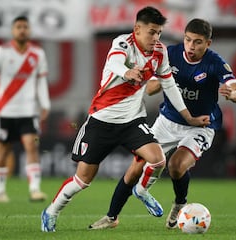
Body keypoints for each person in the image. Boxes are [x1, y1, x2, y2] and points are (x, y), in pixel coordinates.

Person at [40, 7, 210, 232]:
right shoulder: (123, 43)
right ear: (137, 29)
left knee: (158, 159)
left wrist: (188, 116)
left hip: (132, 121)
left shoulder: (160, 51)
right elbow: (113, 63)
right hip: (102, 119)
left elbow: (169, 84)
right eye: (151, 32)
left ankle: (141, 190)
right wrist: (127, 72)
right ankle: (51, 211)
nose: (156, 38)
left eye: (159, 32)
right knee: (83, 179)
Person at [90, 18, 236, 230]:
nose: (191, 46)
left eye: (198, 42)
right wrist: (159, 82)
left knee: (176, 166)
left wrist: (233, 94)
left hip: (200, 125)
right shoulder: (170, 54)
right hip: (167, 121)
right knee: (136, 168)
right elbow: (152, 86)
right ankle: (111, 217)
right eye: (188, 40)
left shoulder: (215, 62)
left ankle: (179, 203)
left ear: (208, 43)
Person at [0, 16, 51, 203]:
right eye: (18, 27)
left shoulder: (38, 53)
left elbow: (42, 80)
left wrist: (45, 104)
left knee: (31, 146)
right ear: (13, 30)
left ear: (29, 30)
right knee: (3, 150)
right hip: (6, 110)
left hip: (29, 111)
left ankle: (35, 189)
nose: (22, 30)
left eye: (25, 27)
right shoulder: (1, 52)